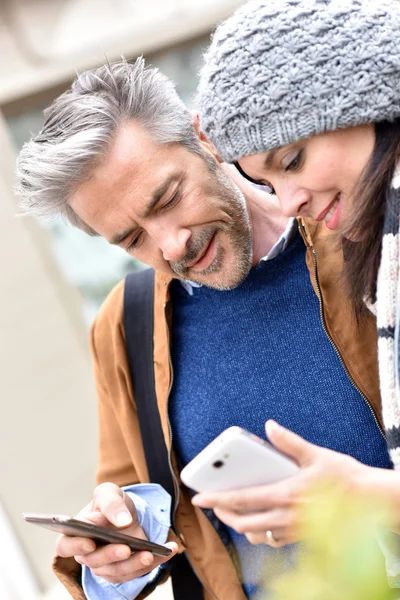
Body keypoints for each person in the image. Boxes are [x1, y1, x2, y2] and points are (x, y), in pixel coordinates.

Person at [16, 57, 392, 600]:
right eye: (131, 241)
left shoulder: (365, 237)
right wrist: (119, 552)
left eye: (168, 200)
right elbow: (141, 505)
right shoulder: (126, 326)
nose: (170, 246)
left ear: (205, 139)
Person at [194, 0, 400, 569]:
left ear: (369, 97)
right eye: (263, 179)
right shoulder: (383, 252)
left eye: (292, 159)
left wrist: (364, 496)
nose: (290, 202)